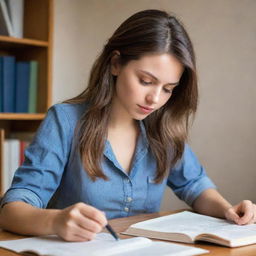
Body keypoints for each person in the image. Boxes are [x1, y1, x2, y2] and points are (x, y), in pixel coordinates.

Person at [0, 9, 255, 242]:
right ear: (115, 64)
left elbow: (195, 186)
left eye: (168, 89)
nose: (155, 99)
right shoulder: (65, 121)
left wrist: (227, 210)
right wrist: (56, 221)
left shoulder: (163, 129)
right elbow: (12, 210)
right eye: (145, 81)